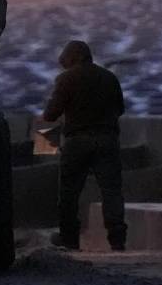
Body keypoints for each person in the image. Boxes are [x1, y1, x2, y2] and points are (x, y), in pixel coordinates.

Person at [41, 39, 127, 251]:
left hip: (77, 142)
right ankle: (117, 240)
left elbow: (50, 115)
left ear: (73, 58)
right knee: (112, 191)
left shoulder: (66, 79)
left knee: (69, 193)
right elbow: (120, 109)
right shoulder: (110, 78)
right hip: (107, 140)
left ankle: (69, 240)